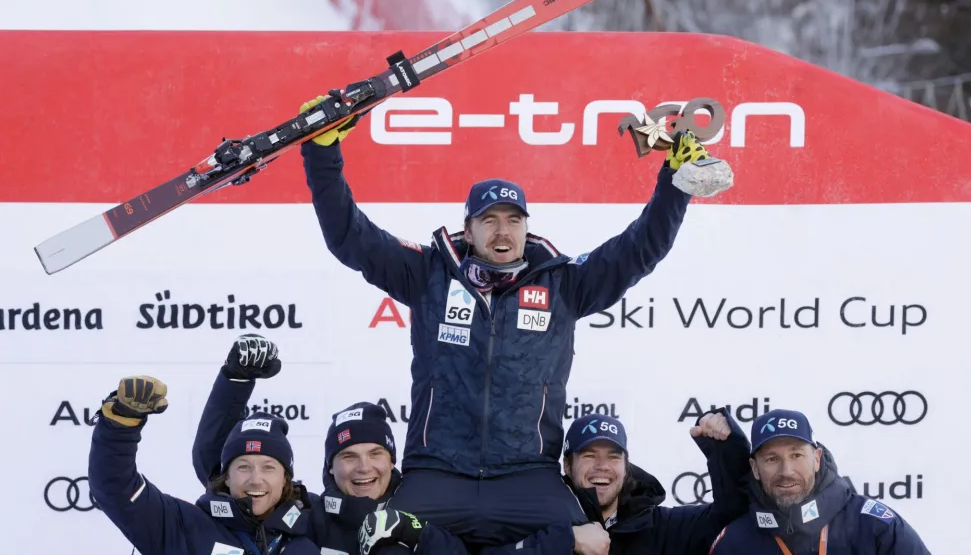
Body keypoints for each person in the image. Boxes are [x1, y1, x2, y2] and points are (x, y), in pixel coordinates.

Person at [297, 91, 730, 550]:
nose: (502, 230)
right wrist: (322, 152)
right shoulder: (427, 274)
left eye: (513, 220)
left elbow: (641, 249)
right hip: (438, 472)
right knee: (382, 540)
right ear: (469, 230)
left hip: (527, 476)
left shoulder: (564, 283)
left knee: (593, 545)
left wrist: (675, 181)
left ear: (526, 227)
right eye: (489, 220)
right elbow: (349, 236)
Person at [363, 409, 752, 555]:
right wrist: (563, 539)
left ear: (626, 466)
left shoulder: (658, 526)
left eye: (613, 457)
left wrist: (726, 451)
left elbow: (730, 517)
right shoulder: (531, 518)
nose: (602, 467)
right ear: (566, 465)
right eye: (589, 456)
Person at [191, 334, 409, 554]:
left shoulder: (422, 507)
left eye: (375, 454)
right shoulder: (308, 515)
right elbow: (222, 469)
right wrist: (234, 382)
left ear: (391, 460)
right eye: (349, 456)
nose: (363, 467)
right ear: (330, 467)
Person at [89, 375, 320, 555]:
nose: (256, 479)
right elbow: (116, 489)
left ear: (285, 478)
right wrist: (120, 426)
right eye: (243, 467)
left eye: (269, 467)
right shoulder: (185, 527)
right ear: (226, 476)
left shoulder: (314, 529)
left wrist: (235, 377)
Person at [708, 409, 931, 555]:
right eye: (772, 459)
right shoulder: (735, 542)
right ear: (755, 468)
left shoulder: (874, 526)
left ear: (816, 459)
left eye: (796, 455)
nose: (786, 471)